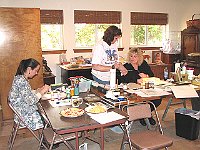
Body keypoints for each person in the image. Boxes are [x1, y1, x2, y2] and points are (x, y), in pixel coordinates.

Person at [117, 47, 162, 126]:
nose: (132, 58)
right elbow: (124, 79)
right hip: (132, 90)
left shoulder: (143, 64)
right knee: (139, 100)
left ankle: (146, 114)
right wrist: (136, 80)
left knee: (157, 99)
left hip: (146, 88)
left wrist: (146, 76)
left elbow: (151, 75)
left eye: (135, 56)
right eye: (131, 56)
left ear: (139, 57)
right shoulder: (126, 66)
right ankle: (144, 115)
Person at [8, 58, 50, 130]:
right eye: (36, 70)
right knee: (49, 118)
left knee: (45, 110)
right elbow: (30, 101)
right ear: (29, 69)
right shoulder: (21, 81)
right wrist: (42, 92)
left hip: (23, 111)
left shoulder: (20, 78)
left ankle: (45, 137)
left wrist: (37, 91)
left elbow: (25, 94)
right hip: (24, 116)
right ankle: (49, 138)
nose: (36, 73)